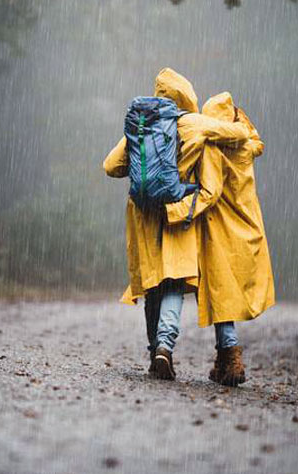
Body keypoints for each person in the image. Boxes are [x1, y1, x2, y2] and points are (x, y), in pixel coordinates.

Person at [104, 69, 250, 380]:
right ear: (186, 96)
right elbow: (239, 136)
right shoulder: (194, 123)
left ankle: (154, 348)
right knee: (173, 282)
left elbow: (111, 166)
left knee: (153, 284)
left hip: (143, 216)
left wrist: (144, 174)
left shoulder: (141, 127)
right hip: (178, 216)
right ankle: (165, 348)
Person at [164, 92, 275, 386]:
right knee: (227, 295)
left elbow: (209, 193)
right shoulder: (245, 147)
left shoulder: (214, 149)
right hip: (248, 227)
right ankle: (224, 361)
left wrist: (175, 211)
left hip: (221, 230)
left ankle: (230, 357)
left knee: (222, 295)